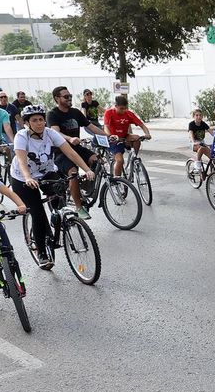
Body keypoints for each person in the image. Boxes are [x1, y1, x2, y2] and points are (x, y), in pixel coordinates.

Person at [11, 104, 93, 265]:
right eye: (34, 120)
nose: (40, 123)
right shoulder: (22, 136)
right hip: (23, 179)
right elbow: (21, 161)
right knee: (38, 214)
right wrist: (28, 177)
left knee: (59, 197)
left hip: (47, 173)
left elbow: (70, 152)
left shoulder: (50, 133)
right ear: (27, 123)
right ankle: (42, 252)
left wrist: (86, 169)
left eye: (41, 119)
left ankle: (59, 221)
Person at [46, 85, 98, 218]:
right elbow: (55, 132)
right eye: (66, 96)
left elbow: (90, 126)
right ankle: (79, 207)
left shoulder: (75, 112)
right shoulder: (52, 114)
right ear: (57, 98)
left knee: (96, 160)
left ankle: (86, 184)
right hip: (61, 151)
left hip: (76, 148)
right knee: (73, 173)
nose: (69, 98)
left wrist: (108, 136)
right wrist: (70, 138)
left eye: (70, 96)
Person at [102, 93, 149, 179]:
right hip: (113, 139)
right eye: (121, 108)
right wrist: (110, 136)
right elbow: (106, 127)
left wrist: (147, 134)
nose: (123, 110)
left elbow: (142, 125)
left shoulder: (129, 114)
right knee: (120, 160)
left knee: (137, 138)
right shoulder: (109, 113)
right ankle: (117, 181)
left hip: (124, 136)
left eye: (125, 108)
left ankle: (134, 159)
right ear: (115, 106)